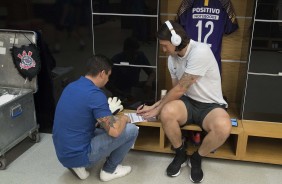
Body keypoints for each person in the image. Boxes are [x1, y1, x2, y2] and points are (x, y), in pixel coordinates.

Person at [137, 20, 231, 183]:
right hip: (187, 102)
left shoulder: (200, 52)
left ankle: (197, 157)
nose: (163, 49)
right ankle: (180, 152)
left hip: (211, 106)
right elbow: (176, 91)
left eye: (165, 45)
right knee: (167, 112)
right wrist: (156, 106)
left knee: (223, 127)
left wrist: (156, 109)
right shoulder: (172, 58)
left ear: (177, 41)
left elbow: (181, 88)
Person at [52, 55, 139, 181]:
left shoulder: (71, 86)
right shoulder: (95, 95)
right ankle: (110, 170)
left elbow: (80, 118)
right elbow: (114, 132)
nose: (108, 80)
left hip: (62, 153)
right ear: (102, 73)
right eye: (108, 75)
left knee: (101, 128)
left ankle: (76, 165)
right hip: (81, 153)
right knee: (131, 130)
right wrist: (124, 119)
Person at [106, 37, 156, 107]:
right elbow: (108, 85)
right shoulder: (116, 60)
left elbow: (152, 72)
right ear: (125, 51)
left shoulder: (140, 55)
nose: (135, 56)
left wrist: (149, 82)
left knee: (155, 85)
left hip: (135, 86)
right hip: (122, 90)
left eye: (136, 52)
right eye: (132, 53)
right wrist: (122, 93)